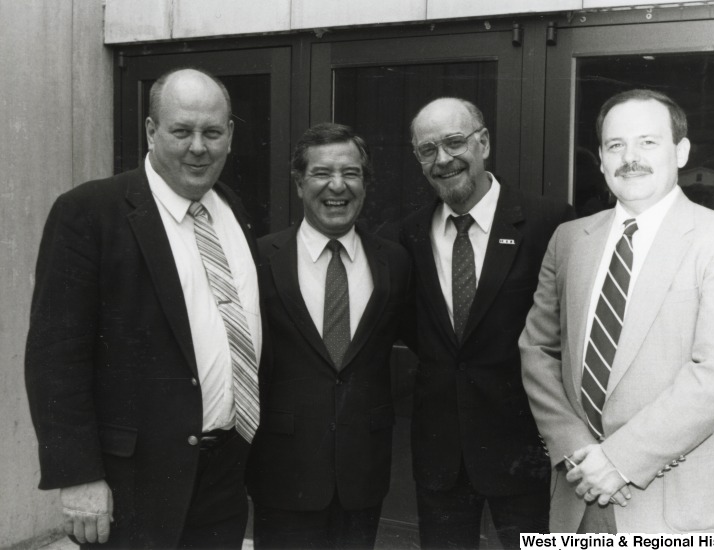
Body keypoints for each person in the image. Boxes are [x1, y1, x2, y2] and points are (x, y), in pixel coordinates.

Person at [25, 67, 263, 548]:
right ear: (151, 132)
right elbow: (55, 356)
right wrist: (79, 476)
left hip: (223, 474)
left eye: (212, 132)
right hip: (132, 484)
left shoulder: (231, 207)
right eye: (182, 131)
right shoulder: (89, 212)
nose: (199, 146)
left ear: (230, 136)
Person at [518, 88, 714, 533]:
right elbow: (537, 349)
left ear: (681, 151)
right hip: (579, 496)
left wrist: (619, 459)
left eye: (648, 142)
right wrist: (574, 448)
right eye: (616, 145)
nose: (631, 157)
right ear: (601, 158)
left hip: (680, 510)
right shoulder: (569, 240)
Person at [398, 97, 573, 548]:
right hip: (441, 457)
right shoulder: (403, 237)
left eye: (455, 142)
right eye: (427, 150)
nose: (443, 160)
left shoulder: (550, 223)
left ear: (484, 143)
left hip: (525, 452)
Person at [247, 123, 412, 549]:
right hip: (284, 471)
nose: (337, 186)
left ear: (366, 183)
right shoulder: (259, 258)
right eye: (321, 173)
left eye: (351, 173)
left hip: (364, 471)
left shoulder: (394, 261)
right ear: (300, 182)